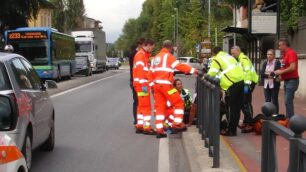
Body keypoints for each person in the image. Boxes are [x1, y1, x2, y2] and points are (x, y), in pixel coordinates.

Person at [150, 40, 198, 138]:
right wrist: (195, 71)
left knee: (159, 108)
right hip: (166, 85)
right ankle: (177, 124)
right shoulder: (168, 56)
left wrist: (152, 86)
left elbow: (150, 73)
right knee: (178, 102)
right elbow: (180, 66)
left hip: (156, 86)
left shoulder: (155, 58)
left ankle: (159, 131)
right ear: (171, 47)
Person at [207, 47, 244, 136]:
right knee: (236, 108)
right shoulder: (229, 57)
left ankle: (231, 130)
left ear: (214, 53)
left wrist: (205, 76)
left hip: (231, 84)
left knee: (231, 108)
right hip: (241, 81)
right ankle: (233, 128)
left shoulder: (217, 59)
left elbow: (212, 73)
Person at [231, 46, 259, 133]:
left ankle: (250, 124)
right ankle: (247, 121)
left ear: (238, 51)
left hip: (249, 83)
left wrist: (246, 84)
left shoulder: (243, 59)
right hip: (246, 83)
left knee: (245, 103)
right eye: (231, 53)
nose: (232, 55)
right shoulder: (239, 59)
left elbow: (247, 72)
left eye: (233, 53)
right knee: (244, 103)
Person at [132, 39, 156, 135]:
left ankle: (140, 126)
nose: (152, 50)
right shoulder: (141, 56)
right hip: (143, 85)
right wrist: (149, 84)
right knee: (146, 106)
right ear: (148, 45)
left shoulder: (141, 55)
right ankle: (147, 127)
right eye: (152, 48)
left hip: (140, 85)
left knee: (141, 106)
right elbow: (142, 72)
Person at [274, 38, 299, 119]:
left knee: (288, 101)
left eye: (280, 45)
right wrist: (280, 76)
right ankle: (289, 118)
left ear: (284, 44)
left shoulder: (291, 53)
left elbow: (292, 68)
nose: (279, 47)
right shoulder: (285, 55)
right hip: (287, 81)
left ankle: (291, 120)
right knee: (287, 102)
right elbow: (285, 67)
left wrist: (280, 72)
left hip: (292, 81)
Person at [129, 38, 145, 125]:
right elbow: (133, 69)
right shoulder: (133, 54)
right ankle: (136, 120)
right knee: (137, 101)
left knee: (143, 100)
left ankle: (141, 119)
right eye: (143, 45)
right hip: (136, 82)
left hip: (144, 84)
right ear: (140, 45)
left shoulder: (143, 54)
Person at [261, 49, 281, 114]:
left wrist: (269, 74)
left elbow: (276, 73)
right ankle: (268, 114)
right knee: (267, 100)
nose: (268, 56)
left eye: (270, 54)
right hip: (266, 84)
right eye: (267, 54)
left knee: (274, 100)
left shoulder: (277, 62)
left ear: (274, 56)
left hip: (274, 84)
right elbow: (262, 74)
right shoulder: (265, 62)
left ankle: (275, 114)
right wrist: (269, 75)